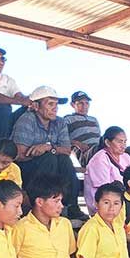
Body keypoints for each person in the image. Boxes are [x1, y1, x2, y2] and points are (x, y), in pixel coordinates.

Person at [11, 86, 88, 221]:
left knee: (64, 160)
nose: (55, 108)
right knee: (49, 159)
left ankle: (71, 206)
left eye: (56, 104)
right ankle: (40, 204)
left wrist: (48, 147)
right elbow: (20, 154)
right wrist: (43, 152)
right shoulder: (27, 119)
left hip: (50, 168)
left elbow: (66, 149)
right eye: (50, 104)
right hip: (26, 170)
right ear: (35, 105)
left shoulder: (59, 122)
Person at [63, 91, 130, 167]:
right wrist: (78, 144)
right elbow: (62, 139)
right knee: (110, 135)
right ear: (73, 105)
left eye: (87, 103)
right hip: (88, 153)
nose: (84, 106)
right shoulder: (68, 119)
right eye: (81, 103)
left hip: (102, 147)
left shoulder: (93, 120)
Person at [83, 126, 130, 215]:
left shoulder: (127, 157)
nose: (123, 145)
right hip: (104, 204)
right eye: (119, 141)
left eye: (125, 142)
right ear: (107, 142)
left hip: (122, 201)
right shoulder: (100, 159)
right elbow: (104, 190)